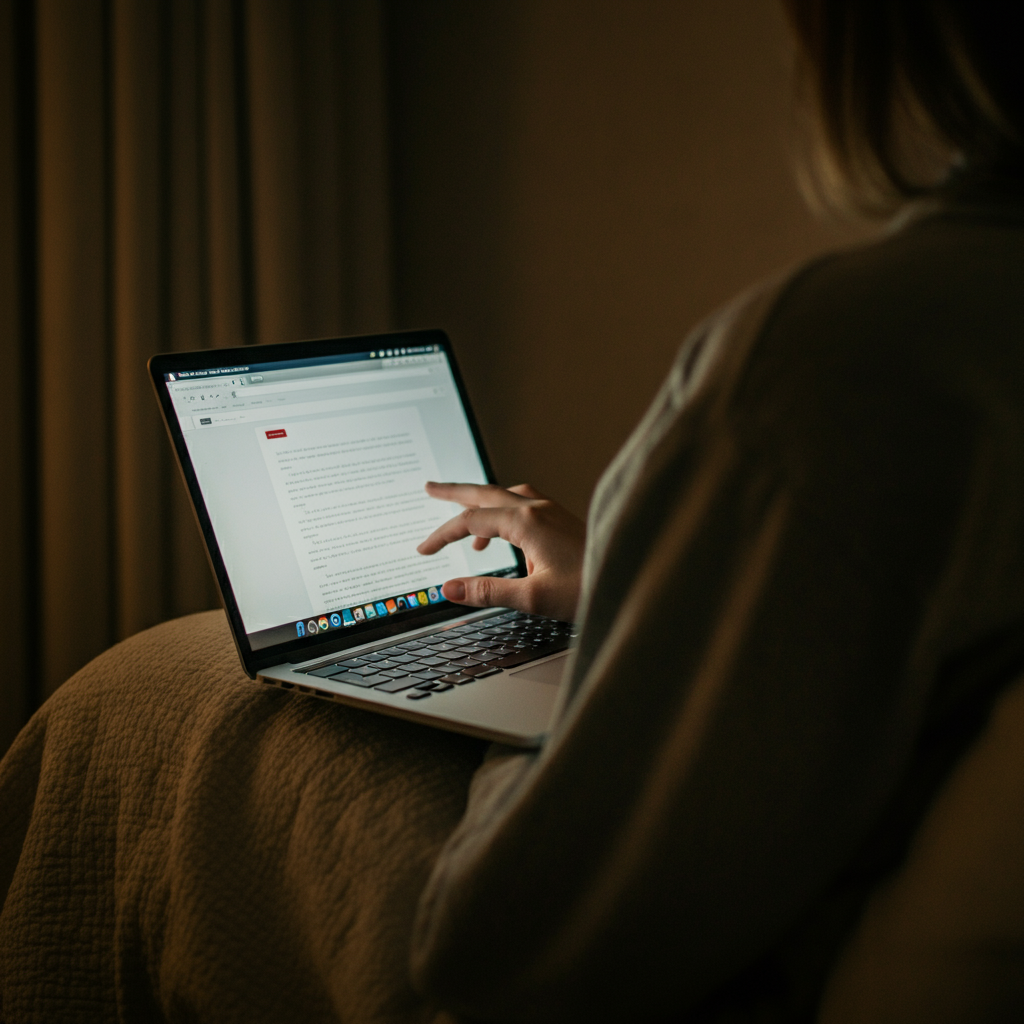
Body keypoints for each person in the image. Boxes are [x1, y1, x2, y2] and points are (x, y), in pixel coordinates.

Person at [408, 2, 1024, 1021]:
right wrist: (632, 583)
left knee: (160, 709)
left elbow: (490, 954)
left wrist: (557, 668)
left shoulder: (828, 363)